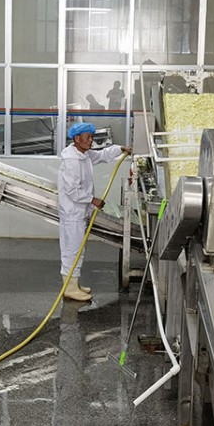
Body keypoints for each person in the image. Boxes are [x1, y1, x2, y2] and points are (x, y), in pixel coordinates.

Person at [58, 122, 131, 302]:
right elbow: (72, 190)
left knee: (77, 249)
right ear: (77, 138)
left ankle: (74, 284)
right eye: (87, 137)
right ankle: (69, 288)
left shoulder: (84, 154)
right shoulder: (72, 160)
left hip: (79, 211)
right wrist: (92, 199)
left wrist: (120, 149)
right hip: (72, 212)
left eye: (91, 137)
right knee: (72, 250)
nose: (91, 140)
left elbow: (102, 155)